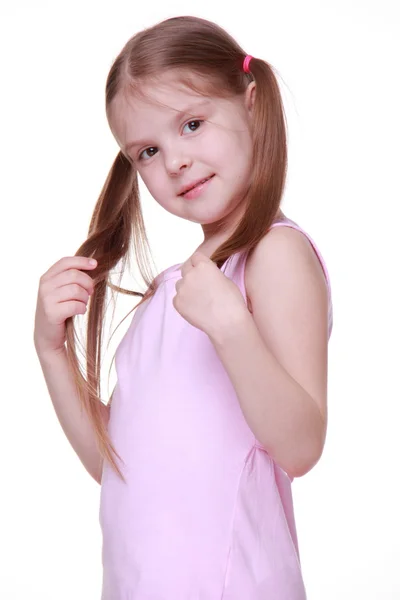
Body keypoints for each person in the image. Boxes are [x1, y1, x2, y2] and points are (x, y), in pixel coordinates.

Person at [34, 15, 333, 600]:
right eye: (147, 150)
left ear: (250, 105)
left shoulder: (272, 254)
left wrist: (231, 326)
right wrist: (52, 351)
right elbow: (117, 469)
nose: (174, 161)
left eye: (192, 124)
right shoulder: (173, 291)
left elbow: (301, 446)